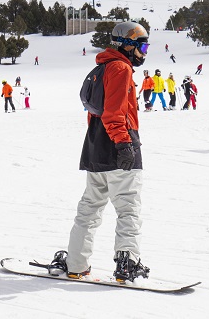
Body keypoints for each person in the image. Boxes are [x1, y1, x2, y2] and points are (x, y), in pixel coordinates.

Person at [49, 20, 151, 283]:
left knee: (89, 208)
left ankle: (76, 263)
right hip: (119, 146)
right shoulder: (120, 68)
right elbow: (114, 113)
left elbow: (97, 113)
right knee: (128, 207)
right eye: (143, 46)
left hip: (96, 148)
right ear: (127, 45)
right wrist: (124, 144)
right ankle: (128, 263)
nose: (144, 53)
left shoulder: (103, 67)